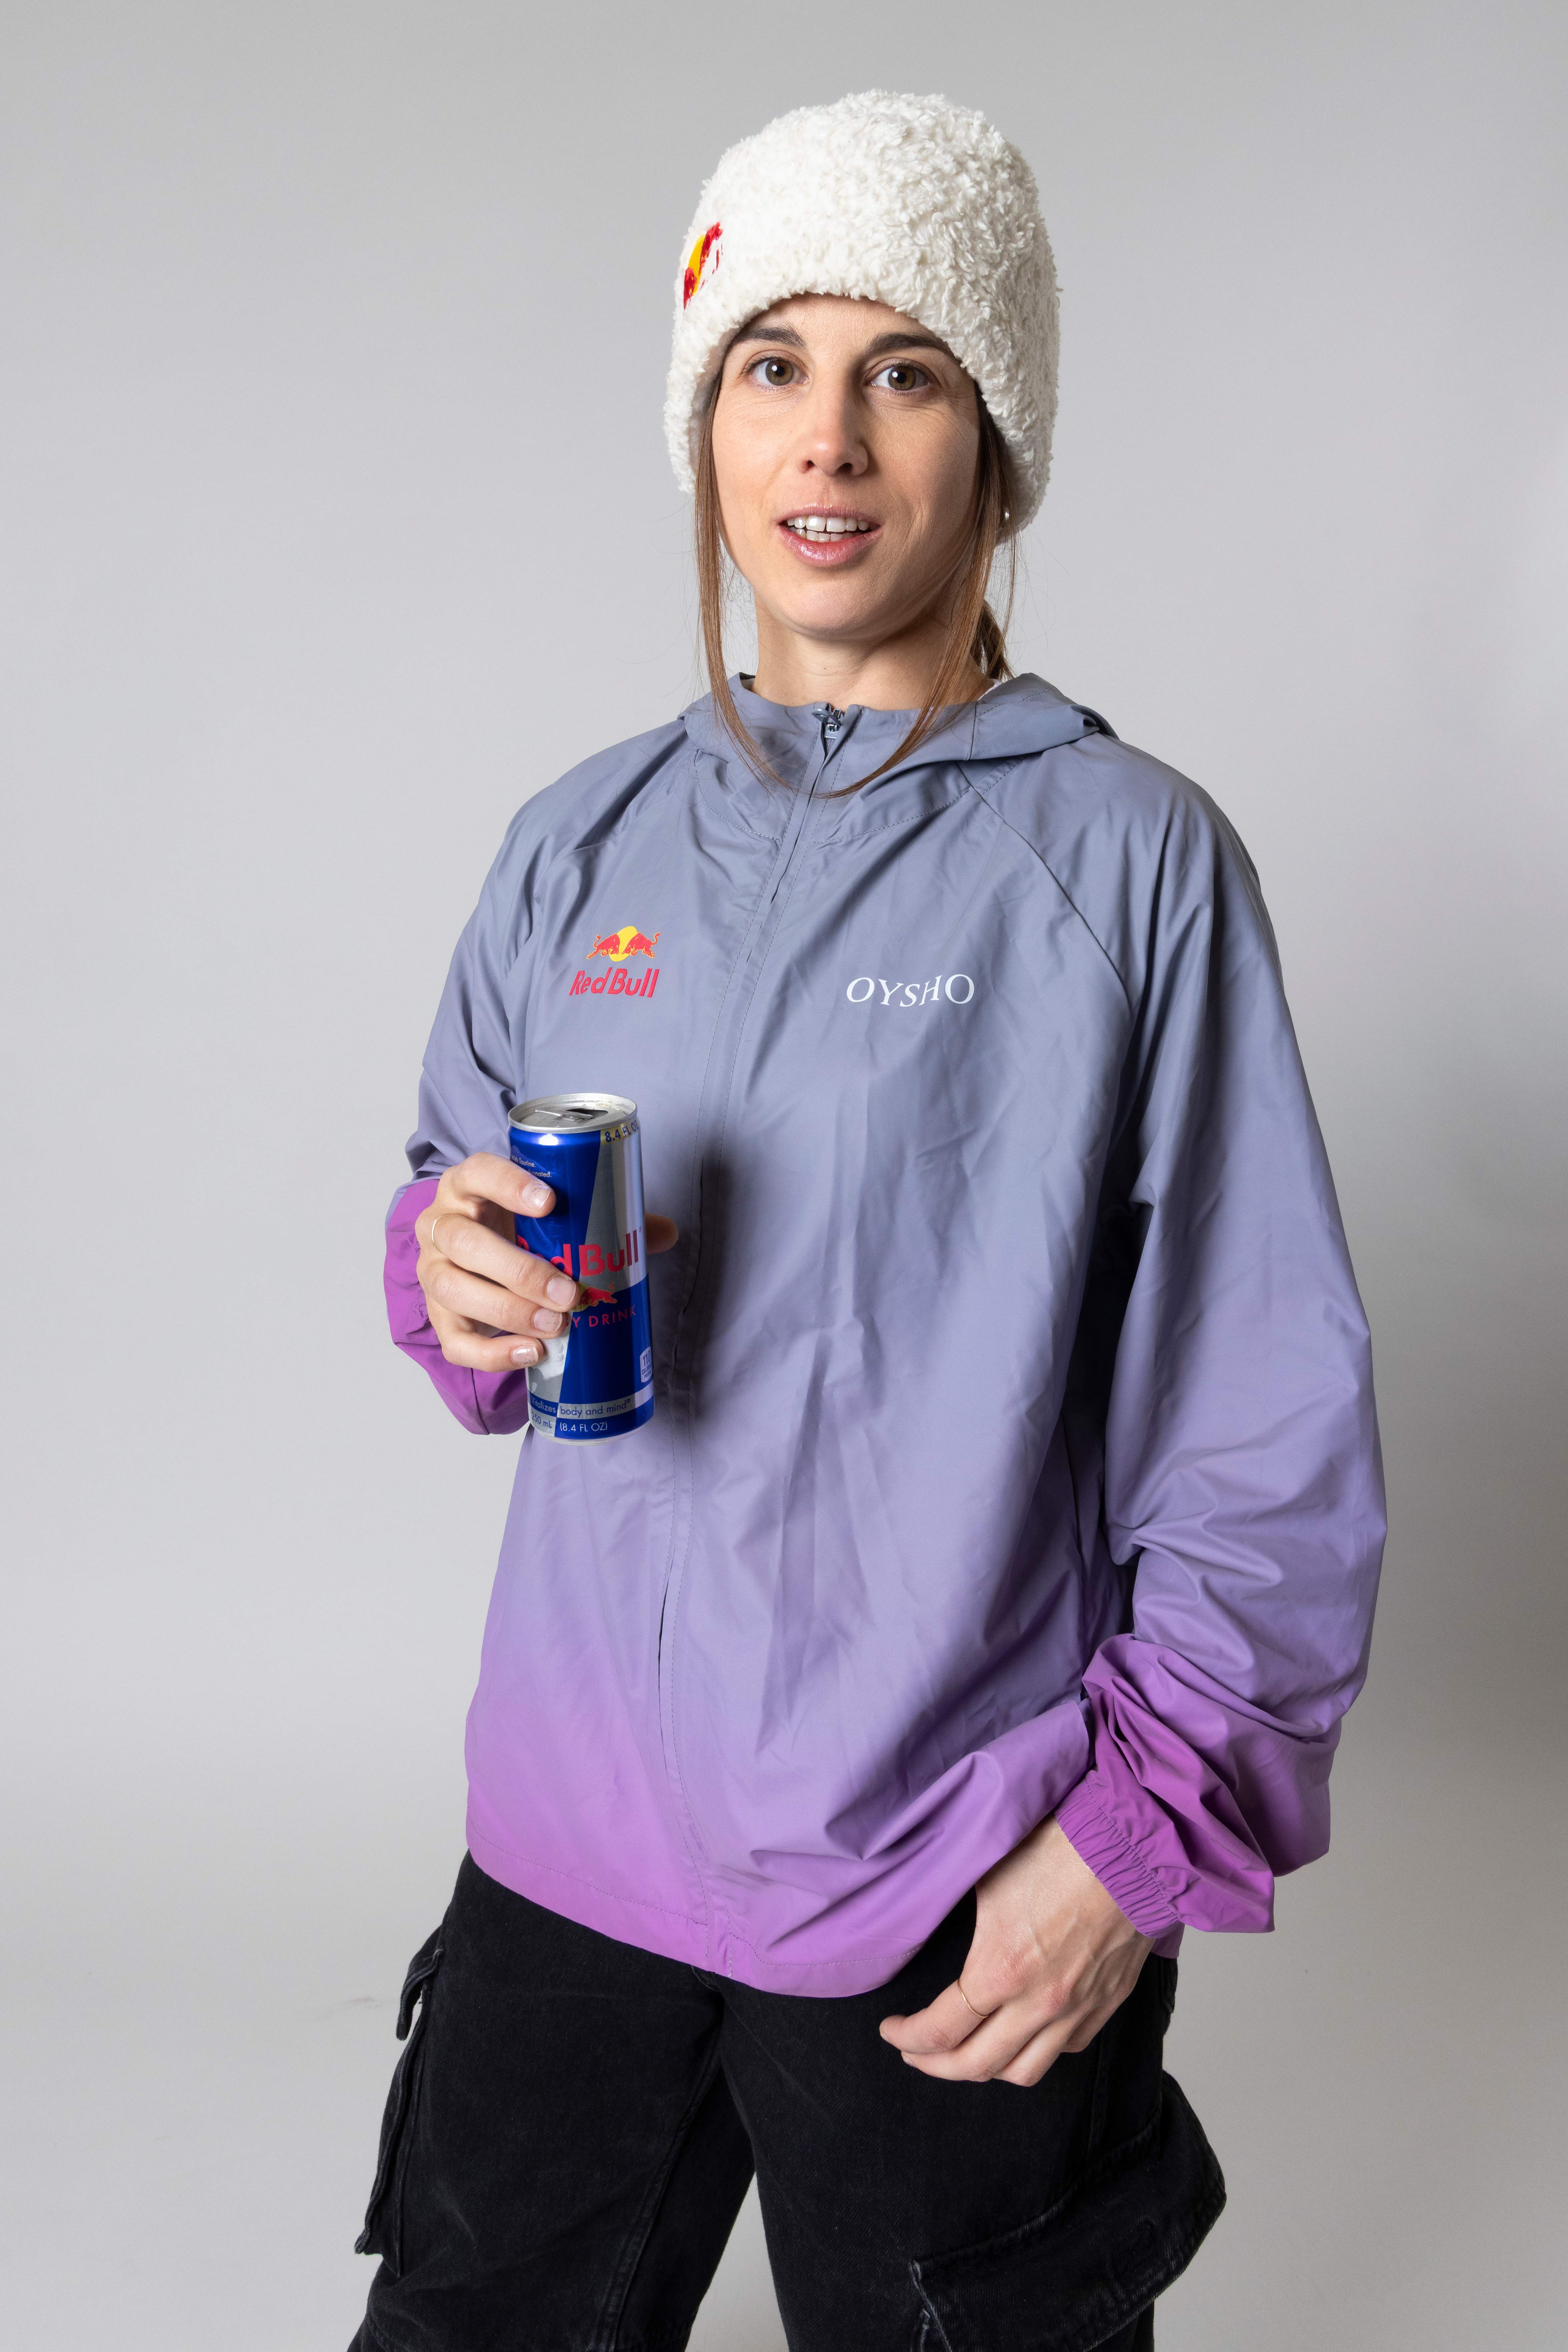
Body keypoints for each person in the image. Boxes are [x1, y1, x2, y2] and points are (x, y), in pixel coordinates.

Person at [351, 91, 1385, 2352]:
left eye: (902, 371)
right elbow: (457, 1217)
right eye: (770, 366)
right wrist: (454, 1277)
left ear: (994, 449)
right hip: (566, 1853)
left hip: (941, 1873)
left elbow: (1264, 1430)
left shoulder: (1129, 865)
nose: (824, 439)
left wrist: (1125, 1853)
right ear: (706, 429)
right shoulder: (578, 840)